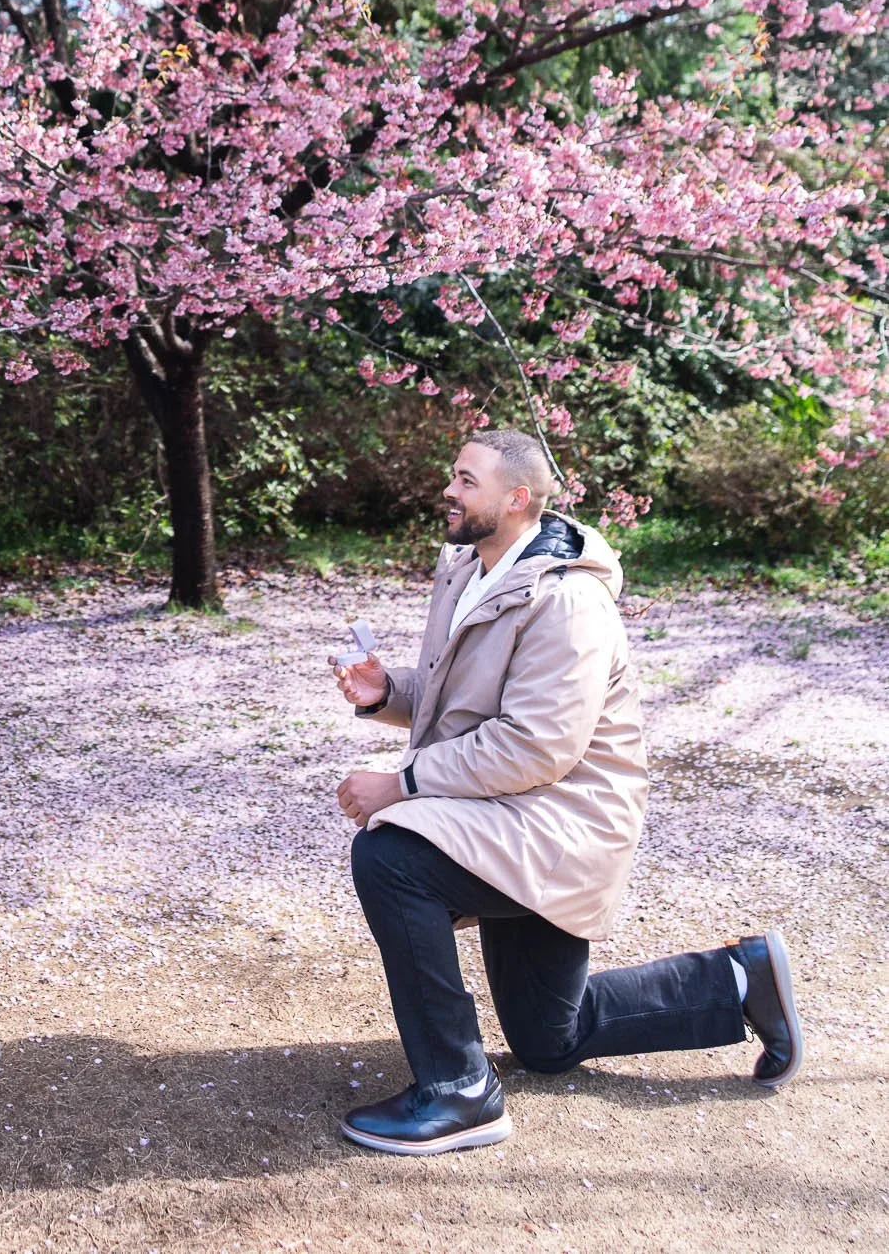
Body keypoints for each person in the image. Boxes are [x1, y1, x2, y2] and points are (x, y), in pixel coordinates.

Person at [332, 427, 803, 1157]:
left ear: (517, 500)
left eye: (466, 480)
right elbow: (469, 703)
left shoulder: (569, 603)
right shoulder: (469, 568)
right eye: (454, 475)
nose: (449, 491)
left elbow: (536, 745)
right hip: (505, 811)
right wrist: (389, 690)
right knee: (552, 1039)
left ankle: (458, 1090)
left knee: (391, 856)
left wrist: (401, 784)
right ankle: (739, 979)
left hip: (561, 823)